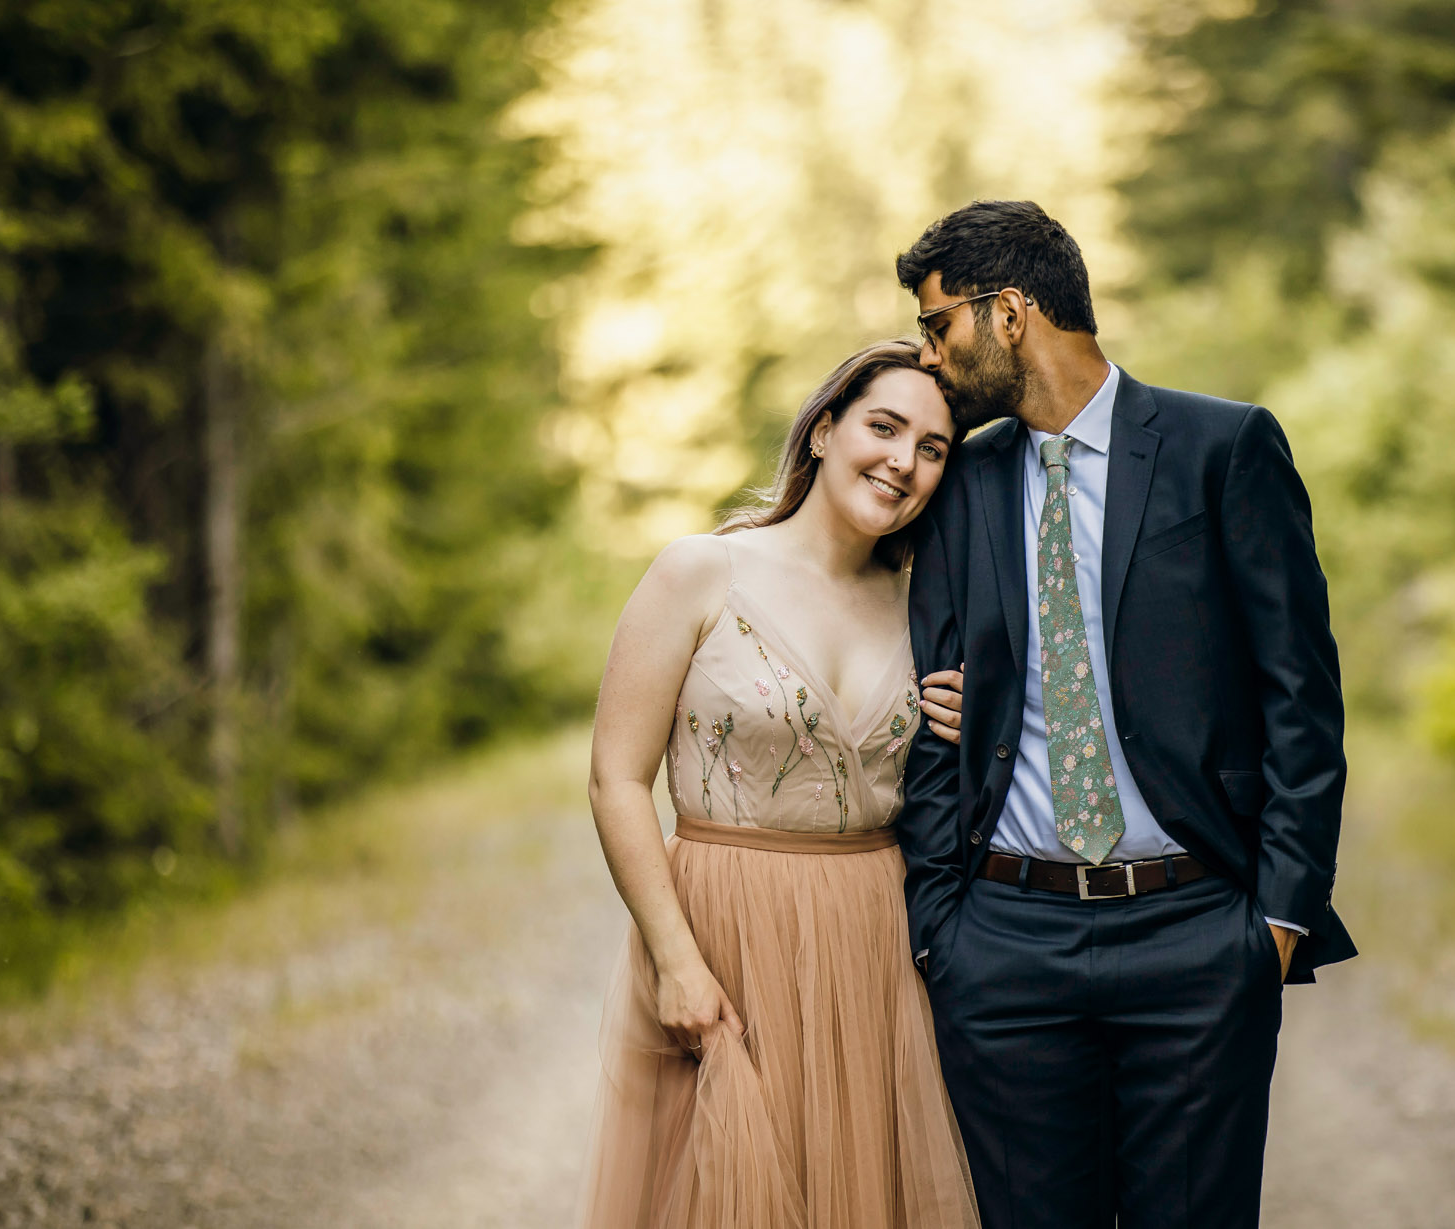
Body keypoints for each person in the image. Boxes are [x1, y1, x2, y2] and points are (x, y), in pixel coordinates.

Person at [896, 201, 1354, 1229]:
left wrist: (1274, 922)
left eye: (938, 326)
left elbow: (1300, 700)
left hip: (1195, 933)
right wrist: (941, 929)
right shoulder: (960, 484)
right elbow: (935, 715)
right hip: (1003, 945)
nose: (929, 359)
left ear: (1007, 312)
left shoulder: (1221, 447)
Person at [577, 340, 981, 1229]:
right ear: (825, 429)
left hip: (872, 933)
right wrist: (676, 959)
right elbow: (616, 778)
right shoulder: (702, 570)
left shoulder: (924, 603)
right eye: (884, 427)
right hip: (725, 928)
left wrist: (956, 715)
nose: (902, 461)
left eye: (933, 448)